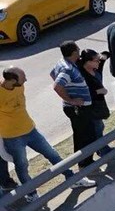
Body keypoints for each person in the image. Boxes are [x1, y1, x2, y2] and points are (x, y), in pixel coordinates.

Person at [1, 67, 94, 200]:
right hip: (12, 137)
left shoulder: (19, 86)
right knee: (22, 165)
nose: (26, 80)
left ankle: (72, 179)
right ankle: (31, 194)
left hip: (31, 130)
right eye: (23, 78)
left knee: (52, 154)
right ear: (11, 80)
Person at [52, 41, 97, 172]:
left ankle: (83, 162)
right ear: (73, 53)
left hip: (77, 108)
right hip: (78, 109)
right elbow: (57, 86)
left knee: (80, 135)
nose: (79, 52)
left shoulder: (62, 63)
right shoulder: (67, 68)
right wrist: (71, 100)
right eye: (78, 50)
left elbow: (52, 73)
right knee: (87, 136)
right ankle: (85, 164)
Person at [77, 49, 113, 158]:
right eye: (96, 61)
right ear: (88, 62)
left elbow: (107, 54)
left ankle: (101, 148)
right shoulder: (82, 75)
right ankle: (102, 149)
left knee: (100, 126)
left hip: (99, 103)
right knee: (98, 127)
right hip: (90, 106)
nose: (99, 62)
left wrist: (102, 56)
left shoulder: (96, 67)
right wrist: (99, 91)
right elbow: (84, 93)